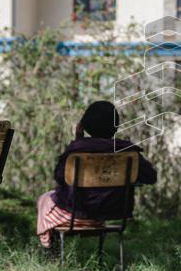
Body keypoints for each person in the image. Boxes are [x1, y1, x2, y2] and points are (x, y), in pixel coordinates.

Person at [36, 100, 157, 251]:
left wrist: (78, 140)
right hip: (110, 212)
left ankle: (49, 247)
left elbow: (60, 177)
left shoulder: (77, 150)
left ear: (85, 125)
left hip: (76, 212)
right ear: (116, 126)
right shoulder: (128, 152)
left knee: (45, 198)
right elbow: (151, 177)